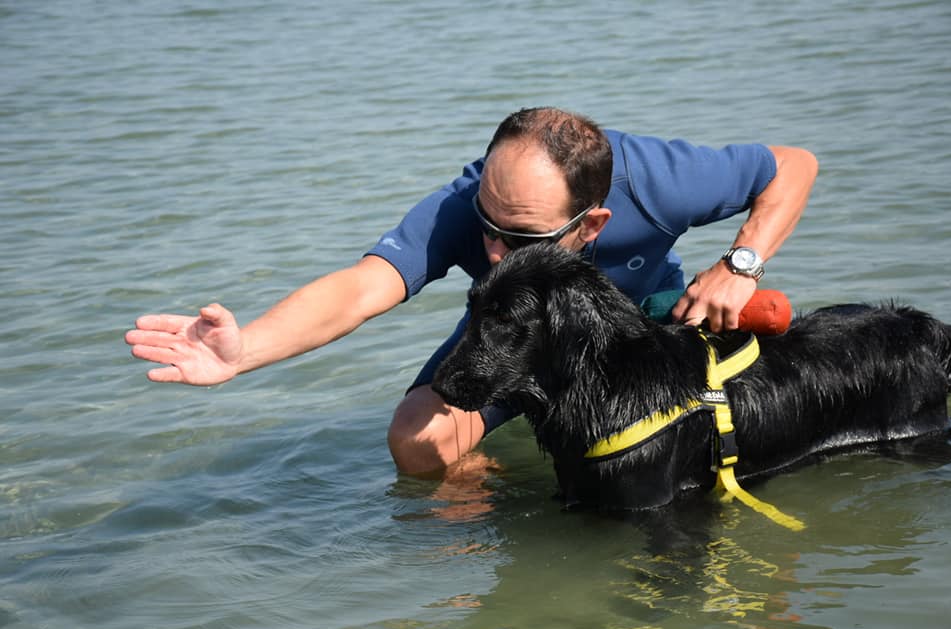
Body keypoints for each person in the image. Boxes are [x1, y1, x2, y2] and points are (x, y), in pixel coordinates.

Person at [126, 107, 818, 475]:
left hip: (638, 327)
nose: (492, 250)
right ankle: (490, 526)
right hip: (509, 334)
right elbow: (361, 289)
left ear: (594, 223)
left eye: (517, 238)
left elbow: (793, 165)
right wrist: (244, 352)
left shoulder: (656, 179)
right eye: (486, 225)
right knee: (414, 440)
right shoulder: (467, 209)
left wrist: (742, 263)